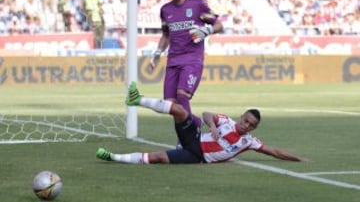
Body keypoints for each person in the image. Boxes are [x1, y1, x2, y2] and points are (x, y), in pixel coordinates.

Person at [96, 82, 309, 164]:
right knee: (179, 110)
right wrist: (214, 127)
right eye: (246, 120)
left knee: (158, 157)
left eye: (251, 125)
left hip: (196, 155)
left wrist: (299, 158)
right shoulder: (226, 121)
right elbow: (207, 114)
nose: (246, 126)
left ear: (255, 128)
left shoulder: (249, 142)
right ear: (242, 117)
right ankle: (137, 100)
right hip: (195, 138)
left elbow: (274, 152)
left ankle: (112, 157)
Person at [148, 0, 224, 130]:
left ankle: (191, 134)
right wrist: (156, 54)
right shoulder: (165, 10)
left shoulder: (197, 5)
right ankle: (194, 126)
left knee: (182, 95)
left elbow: (219, 25)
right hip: (172, 60)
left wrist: (207, 31)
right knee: (171, 105)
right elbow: (166, 35)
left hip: (192, 59)